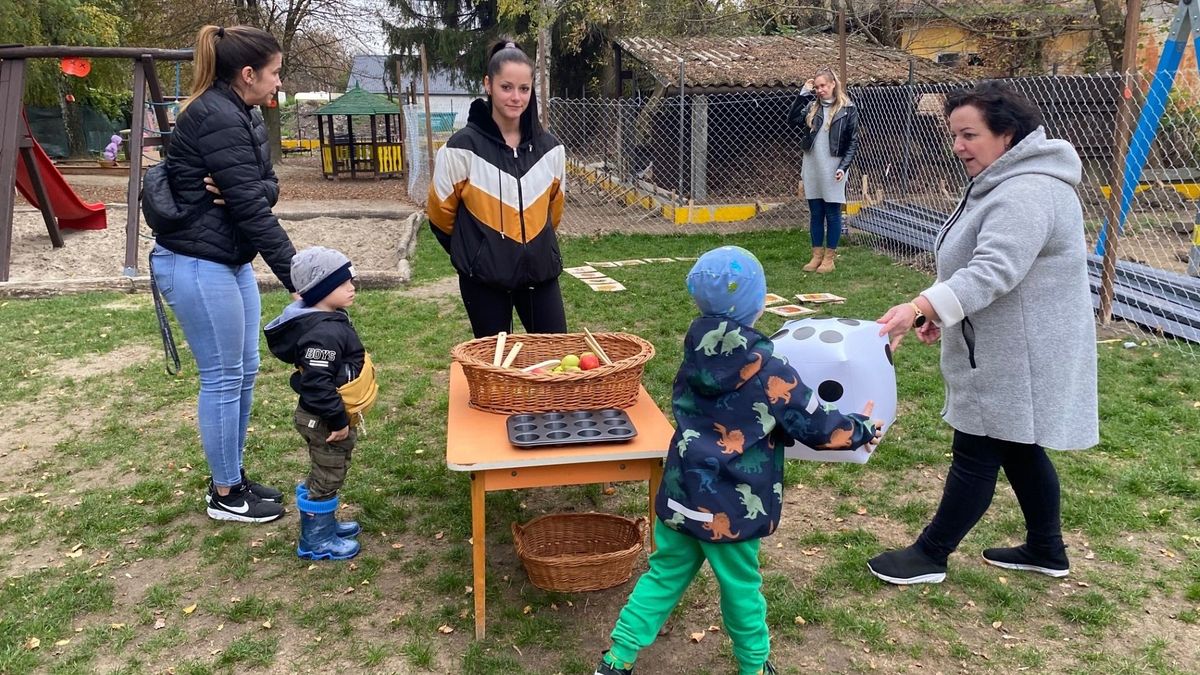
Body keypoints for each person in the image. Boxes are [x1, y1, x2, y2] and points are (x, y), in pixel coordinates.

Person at [594, 246, 881, 675]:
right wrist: (860, 427)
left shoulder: (695, 352)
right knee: (742, 589)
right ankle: (754, 666)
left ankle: (617, 658)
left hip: (680, 489)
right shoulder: (770, 367)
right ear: (758, 303)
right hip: (731, 502)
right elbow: (816, 426)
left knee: (663, 575)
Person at [867, 81, 1099, 585]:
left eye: (968, 134)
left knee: (977, 447)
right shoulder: (1006, 182)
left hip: (1021, 353)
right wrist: (941, 313)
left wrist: (919, 306)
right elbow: (975, 265)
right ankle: (1046, 548)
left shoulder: (1029, 191)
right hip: (1005, 346)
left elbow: (994, 269)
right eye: (955, 135)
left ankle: (931, 554)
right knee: (1017, 446)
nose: (958, 147)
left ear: (1007, 134)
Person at [149, 25, 297, 523]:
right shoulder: (216, 115)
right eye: (275, 73)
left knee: (246, 370)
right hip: (194, 261)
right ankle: (226, 494)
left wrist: (248, 190)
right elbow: (254, 214)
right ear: (249, 73)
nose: (280, 82)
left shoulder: (245, 114)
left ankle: (232, 475)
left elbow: (265, 188)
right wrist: (302, 278)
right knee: (222, 376)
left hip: (227, 261)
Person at [427, 39, 568, 338]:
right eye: (507, 87)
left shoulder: (552, 150)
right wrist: (478, 252)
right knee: (495, 371)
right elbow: (440, 216)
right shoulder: (460, 149)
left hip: (540, 278)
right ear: (488, 85)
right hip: (484, 282)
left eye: (524, 89)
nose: (516, 97)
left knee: (557, 360)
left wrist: (534, 245)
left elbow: (553, 213)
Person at [265, 247, 376, 561]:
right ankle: (316, 539)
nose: (352, 287)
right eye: (342, 284)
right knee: (327, 475)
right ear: (321, 291)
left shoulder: (327, 319)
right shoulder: (322, 334)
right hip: (324, 420)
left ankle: (325, 524)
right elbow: (317, 384)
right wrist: (339, 421)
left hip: (327, 415)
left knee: (327, 470)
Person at [787, 67, 860, 274]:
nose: (820, 90)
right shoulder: (811, 106)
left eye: (823, 86)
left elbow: (852, 142)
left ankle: (829, 258)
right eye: (817, 87)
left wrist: (843, 167)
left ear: (832, 84)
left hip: (834, 166)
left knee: (833, 213)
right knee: (816, 213)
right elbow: (792, 120)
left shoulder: (848, 109)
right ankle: (816, 255)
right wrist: (803, 94)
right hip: (812, 164)